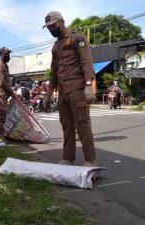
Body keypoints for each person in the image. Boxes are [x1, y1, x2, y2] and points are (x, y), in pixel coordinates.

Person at [43, 11, 97, 166]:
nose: (51, 29)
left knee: (82, 125)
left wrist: (88, 85)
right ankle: (68, 158)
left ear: (62, 22)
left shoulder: (77, 38)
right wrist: (48, 94)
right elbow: (54, 72)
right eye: (48, 28)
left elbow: (87, 62)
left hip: (77, 89)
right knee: (67, 126)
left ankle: (90, 160)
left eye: (53, 26)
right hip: (63, 92)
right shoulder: (56, 46)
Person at [0, 47, 17, 141]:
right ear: (0, 55)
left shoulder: (5, 66)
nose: (8, 56)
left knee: (2, 115)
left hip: (3, 94)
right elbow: (2, 82)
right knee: (1, 116)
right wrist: (12, 93)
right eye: (6, 54)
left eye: (9, 54)